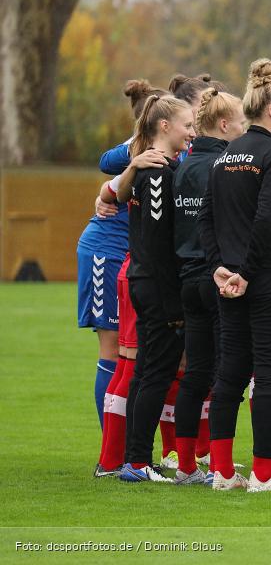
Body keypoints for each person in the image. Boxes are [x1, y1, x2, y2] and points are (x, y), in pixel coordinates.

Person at [198, 58, 271, 492]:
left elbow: (204, 217)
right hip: (268, 279)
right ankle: (262, 475)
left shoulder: (224, 157)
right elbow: (266, 218)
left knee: (230, 373)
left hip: (228, 281)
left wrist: (220, 266)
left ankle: (222, 473)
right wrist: (244, 271)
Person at [78, 80, 167, 433]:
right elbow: (105, 162)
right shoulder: (138, 149)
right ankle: (111, 447)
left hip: (138, 259)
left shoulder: (180, 152)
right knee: (114, 350)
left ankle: (132, 445)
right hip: (108, 252)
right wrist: (114, 184)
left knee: (137, 353)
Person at [118, 95, 196, 483]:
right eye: (187, 124)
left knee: (147, 371)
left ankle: (136, 460)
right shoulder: (157, 172)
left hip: (147, 280)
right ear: (165, 126)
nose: (192, 132)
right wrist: (174, 302)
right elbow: (157, 241)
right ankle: (135, 461)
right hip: (156, 284)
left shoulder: (153, 168)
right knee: (155, 374)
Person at [170, 88, 246, 485]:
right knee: (224, 375)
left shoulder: (182, 166)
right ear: (223, 125)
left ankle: (185, 466)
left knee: (196, 373)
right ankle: (220, 467)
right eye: (240, 121)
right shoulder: (224, 165)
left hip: (187, 280)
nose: (244, 128)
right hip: (217, 278)